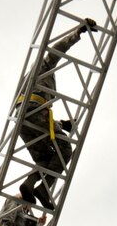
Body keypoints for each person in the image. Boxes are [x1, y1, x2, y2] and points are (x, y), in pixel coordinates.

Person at [15, 17, 99, 211]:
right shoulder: (43, 66)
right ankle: (44, 189)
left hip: (24, 120)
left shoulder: (27, 81)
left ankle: (29, 184)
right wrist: (78, 33)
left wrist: (61, 124)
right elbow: (57, 50)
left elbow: (37, 115)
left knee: (44, 158)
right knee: (65, 150)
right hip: (34, 111)